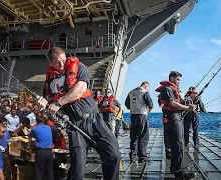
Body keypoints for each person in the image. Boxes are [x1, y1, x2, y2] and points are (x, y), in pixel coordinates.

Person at [38, 47, 120, 180]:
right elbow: (49, 109)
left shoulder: (79, 68)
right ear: (50, 63)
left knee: (113, 154)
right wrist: (43, 104)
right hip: (74, 125)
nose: (62, 65)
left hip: (94, 119)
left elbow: (81, 88)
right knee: (77, 170)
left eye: (64, 60)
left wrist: (59, 102)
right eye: (58, 62)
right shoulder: (49, 83)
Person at [156, 71, 196, 179]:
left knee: (175, 144)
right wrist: (188, 108)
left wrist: (187, 103)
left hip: (174, 118)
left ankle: (174, 167)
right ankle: (179, 173)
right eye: (178, 80)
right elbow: (172, 103)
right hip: (173, 119)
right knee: (178, 144)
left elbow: (176, 102)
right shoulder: (167, 89)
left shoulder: (170, 89)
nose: (179, 82)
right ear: (172, 78)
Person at [125, 81, 153, 163]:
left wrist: (134, 107)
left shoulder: (131, 92)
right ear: (146, 86)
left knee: (133, 135)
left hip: (133, 115)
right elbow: (150, 104)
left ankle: (133, 155)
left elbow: (127, 104)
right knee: (143, 136)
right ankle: (142, 156)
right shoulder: (144, 92)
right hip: (142, 115)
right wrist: (148, 110)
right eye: (148, 87)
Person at [29, 111, 59, 180]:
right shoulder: (48, 128)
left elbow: (30, 138)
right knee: (50, 172)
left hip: (41, 152)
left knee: (39, 172)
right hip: (49, 152)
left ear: (36, 121)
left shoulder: (35, 129)